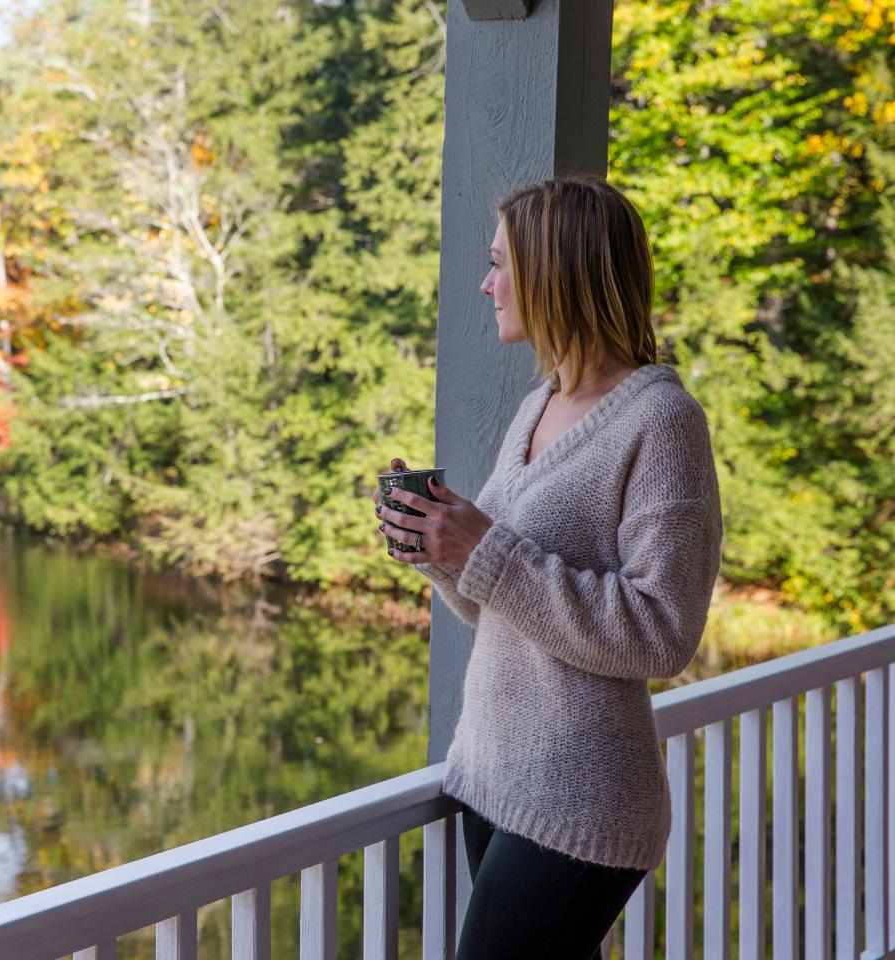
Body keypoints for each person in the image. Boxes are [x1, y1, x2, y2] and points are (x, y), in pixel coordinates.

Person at [374, 174, 724, 959]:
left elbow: (662, 635)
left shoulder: (662, 421)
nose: (487, 283)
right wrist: (438, 544)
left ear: (556, 273)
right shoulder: (540, 405)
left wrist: (483, 549)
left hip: (584, 797)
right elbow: (497, 600)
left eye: (502, 263)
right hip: (495, 773)